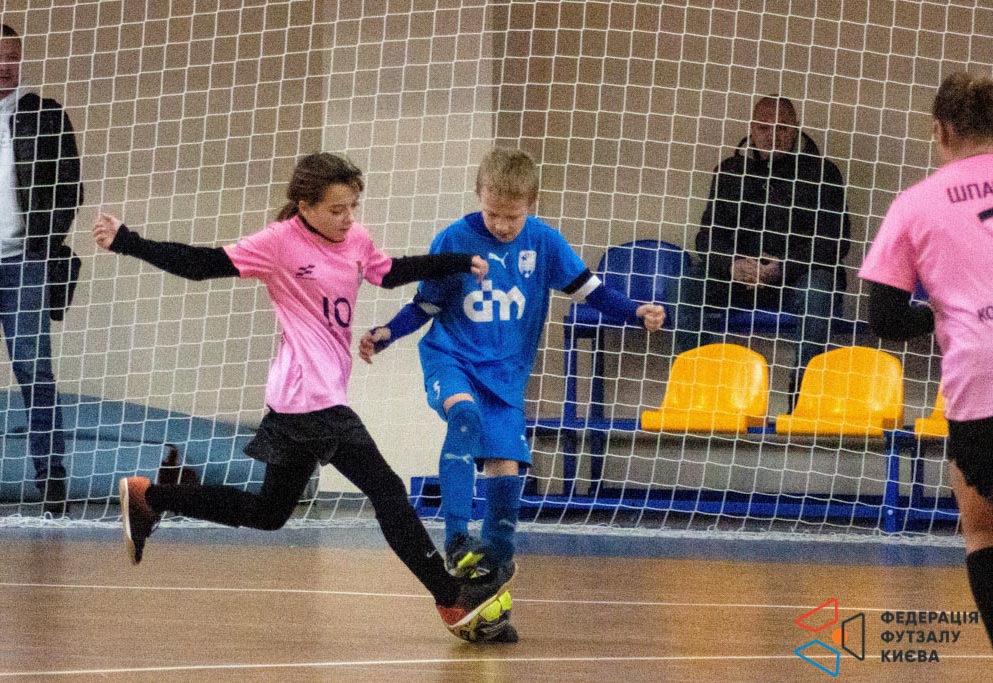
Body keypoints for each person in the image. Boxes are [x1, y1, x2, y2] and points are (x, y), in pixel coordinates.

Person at [96, 152, 514, 642]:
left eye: (353, 206)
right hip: (308, 397)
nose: (348, 218)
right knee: (386, 490)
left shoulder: (355, 239)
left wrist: (457, 261)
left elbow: (390, 272)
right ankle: (449, 596)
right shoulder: (278, 243)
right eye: (337, 209)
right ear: (305, 206)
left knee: (269, 513)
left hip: (300, 403)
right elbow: (201, 264)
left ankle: (150, 497)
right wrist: (128, 242)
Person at [359, 148, 665, 636]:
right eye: (492, 214)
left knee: (506, 467)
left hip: (505, 375)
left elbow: (590, 290)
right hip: (452, 357)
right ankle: (456, 541)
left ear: (531, 204)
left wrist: (634, 311)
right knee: (464, 416)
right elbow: (426, 306)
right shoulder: (454, 239)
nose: (502, 225)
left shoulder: (544, 242)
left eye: (512, 216)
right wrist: (388, 333)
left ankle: (493, 574)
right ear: (478, 196)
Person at [859, 72, 993, 648]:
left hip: (981, 381)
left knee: (983, 533)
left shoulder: (914, 204)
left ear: (940, 130)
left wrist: (943, 313)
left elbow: (885, 318)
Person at [0, 23, 83, 517]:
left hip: (25, 262)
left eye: (11, 56)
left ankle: (51, 481)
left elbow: (70, 187)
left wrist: (41, 244)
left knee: (35, 373)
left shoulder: (46, 114)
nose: (3, 65)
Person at [677, 95, 851, 406]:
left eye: (781, 128)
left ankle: (803, 396)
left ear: (795, 129)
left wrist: (782, 267)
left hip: (796, 280)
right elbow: (706, 237)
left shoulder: (822, 173)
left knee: (818, 289)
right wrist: (732, 265)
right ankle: (700, 388)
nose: (772, 135)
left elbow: (835, 241)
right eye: (763, 127)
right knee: (685, 285)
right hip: (739, 281)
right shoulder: (731, 171)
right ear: (752, 129)